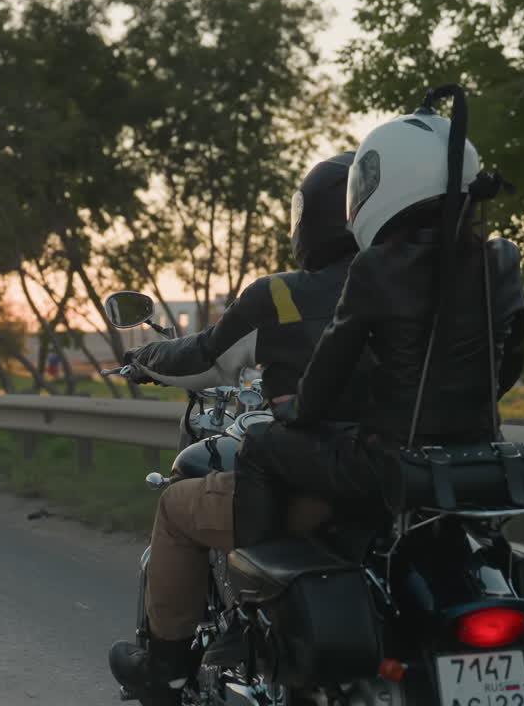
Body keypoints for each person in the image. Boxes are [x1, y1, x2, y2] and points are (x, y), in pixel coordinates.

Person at [108, 152, 374, 698]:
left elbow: (204, 355)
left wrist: (145, 358)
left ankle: (166, 669)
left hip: (320, 487)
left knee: (176, 508)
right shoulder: (423, 292)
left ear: (309, 220)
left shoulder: (282, 295)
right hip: (403, 487)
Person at [234, 104, 524, 570]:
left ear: (391, 183)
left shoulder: (376, 266)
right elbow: (510, 361)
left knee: (257, 445)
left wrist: (295, 410)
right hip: (481, 454)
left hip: (389, 460)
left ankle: (257, 580)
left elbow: (331, 366)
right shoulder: (503, 258)